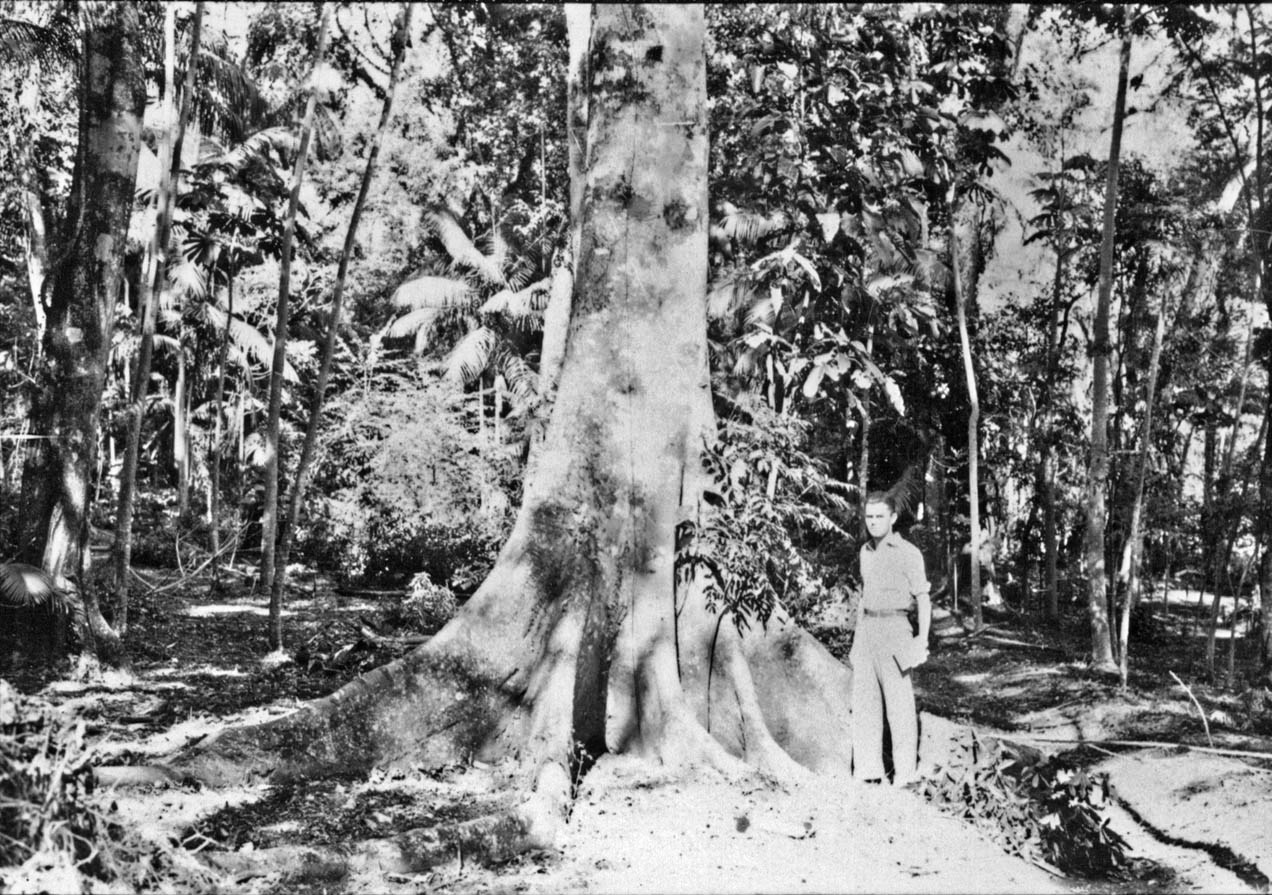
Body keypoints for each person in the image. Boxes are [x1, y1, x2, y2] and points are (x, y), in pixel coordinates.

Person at [850, 491, 931, 786]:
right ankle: (868, 770)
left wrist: (921, 639)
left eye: (879, 517)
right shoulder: (865, 553)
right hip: (868, 630)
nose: (873, 522)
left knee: (899, 706)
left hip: (896, 630)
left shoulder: (908, 553)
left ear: (893, 518)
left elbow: (923, 598)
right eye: (869, 517)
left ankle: (905, 774)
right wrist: (856, 643)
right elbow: (864, 598)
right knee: (865, 703)